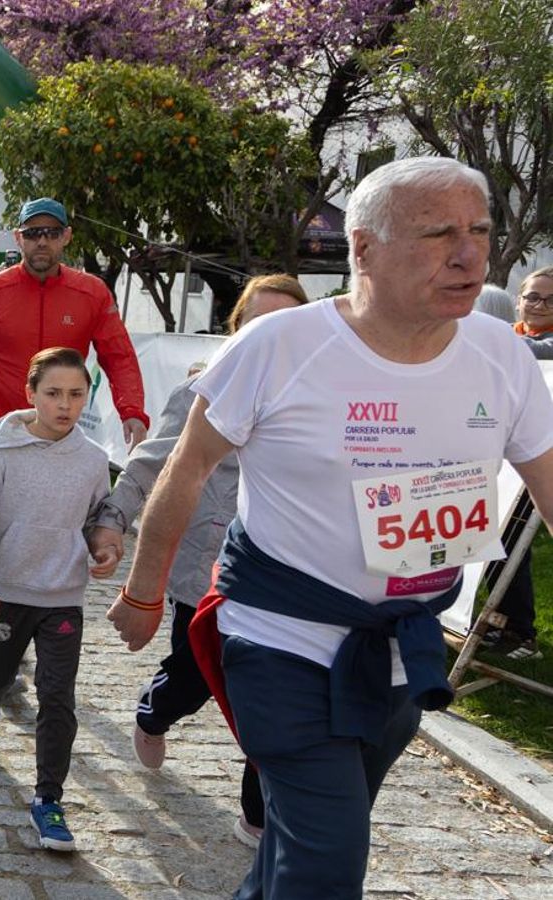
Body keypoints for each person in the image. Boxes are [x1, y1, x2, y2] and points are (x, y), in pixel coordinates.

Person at [110, 156, 553, 899]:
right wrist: (146, 590)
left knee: (302, 842)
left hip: (406, 646)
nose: (469, 253)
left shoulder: (502, 353)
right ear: (363, 249)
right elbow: (186, 467)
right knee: (327, 860)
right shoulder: (279, 345)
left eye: (479, 230)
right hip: (281, 637)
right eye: (438, 232)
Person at [87, 273, 308, 848]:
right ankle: (154, 712)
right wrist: (112, 522)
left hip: (287, 575)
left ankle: (258, 819)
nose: (272, 339)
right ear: (236, 333)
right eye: (258, 326)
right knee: (195, 676)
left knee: (266, 696)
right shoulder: (202, 391)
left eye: (286, 327)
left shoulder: (323, 398)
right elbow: (148, 464)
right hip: (207, 568)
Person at [0, 348, 117, 852]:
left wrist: (103, 547)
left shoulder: (95, 460)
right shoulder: (2, 451)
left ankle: (49, 799)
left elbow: (97, 520)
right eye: (53, 393)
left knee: (57, 696)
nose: (65, 405)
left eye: (76, 394)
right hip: (7, 593)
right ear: (31, 394)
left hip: (63, 597)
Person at [0, 197, 149, 465]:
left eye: (52, 233)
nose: (42, 241)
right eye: (32, 233)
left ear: (66, 237)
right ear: (18, 238)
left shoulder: (92, 292)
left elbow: (119, 357)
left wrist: (132, 411)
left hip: (60, 435)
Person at [475, 268, 553, 661]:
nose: (539, 306)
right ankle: (500, 620)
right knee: (488, 540)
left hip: (534, 463)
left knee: (510, 543)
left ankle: (522, 633)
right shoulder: (510, 334)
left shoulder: (536, 344)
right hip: (494, 454)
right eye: (532, 297)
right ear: (518, 299)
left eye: (549, 299)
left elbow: (533, 353)